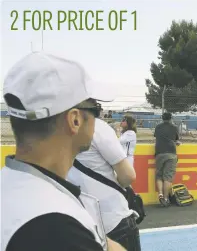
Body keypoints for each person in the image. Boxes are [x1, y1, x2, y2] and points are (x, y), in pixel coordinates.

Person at [1, 52, 125, 251]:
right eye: (96, 108)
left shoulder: (11, 185)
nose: (98, 118)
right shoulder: (57, 227)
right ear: (75, 120)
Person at [67, 116, 140, 251]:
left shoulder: (51, 130)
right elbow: (128, 176)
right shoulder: (97, 126)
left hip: (75, 222)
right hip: (111, 219)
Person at [154, 112, 181, 206]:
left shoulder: (158, 127)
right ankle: (165, 199)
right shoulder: (174, 127)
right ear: (171, 118)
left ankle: (160, 194)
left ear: (162, 118)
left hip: (159, 152)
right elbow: (176, 139)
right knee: (168, 177)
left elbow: (157, 137)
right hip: (171, 152)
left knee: (159, 176)